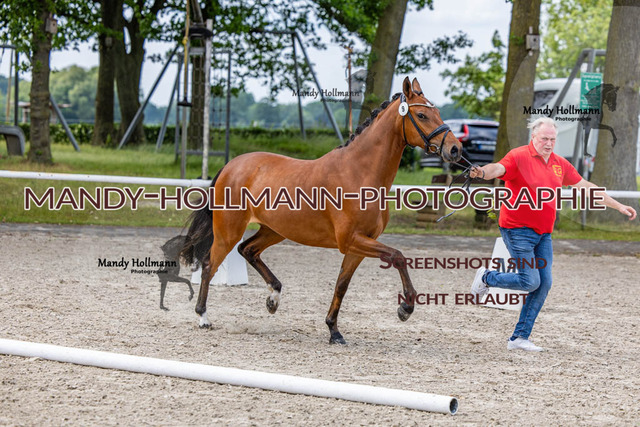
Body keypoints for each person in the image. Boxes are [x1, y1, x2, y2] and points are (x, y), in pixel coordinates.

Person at [468, 117, 636, 352]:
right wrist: (482, 172)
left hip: (543, 234)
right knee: (530, 281)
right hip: (516, 229)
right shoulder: (518, 156)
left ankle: (519, 338)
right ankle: (487, 277)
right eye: (544, 138)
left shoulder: (559, 164)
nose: (548, 143)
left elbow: (585, 187)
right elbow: (498, 169)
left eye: (552, 139)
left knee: (544, 284)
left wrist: (618, 206)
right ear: (533, 137)